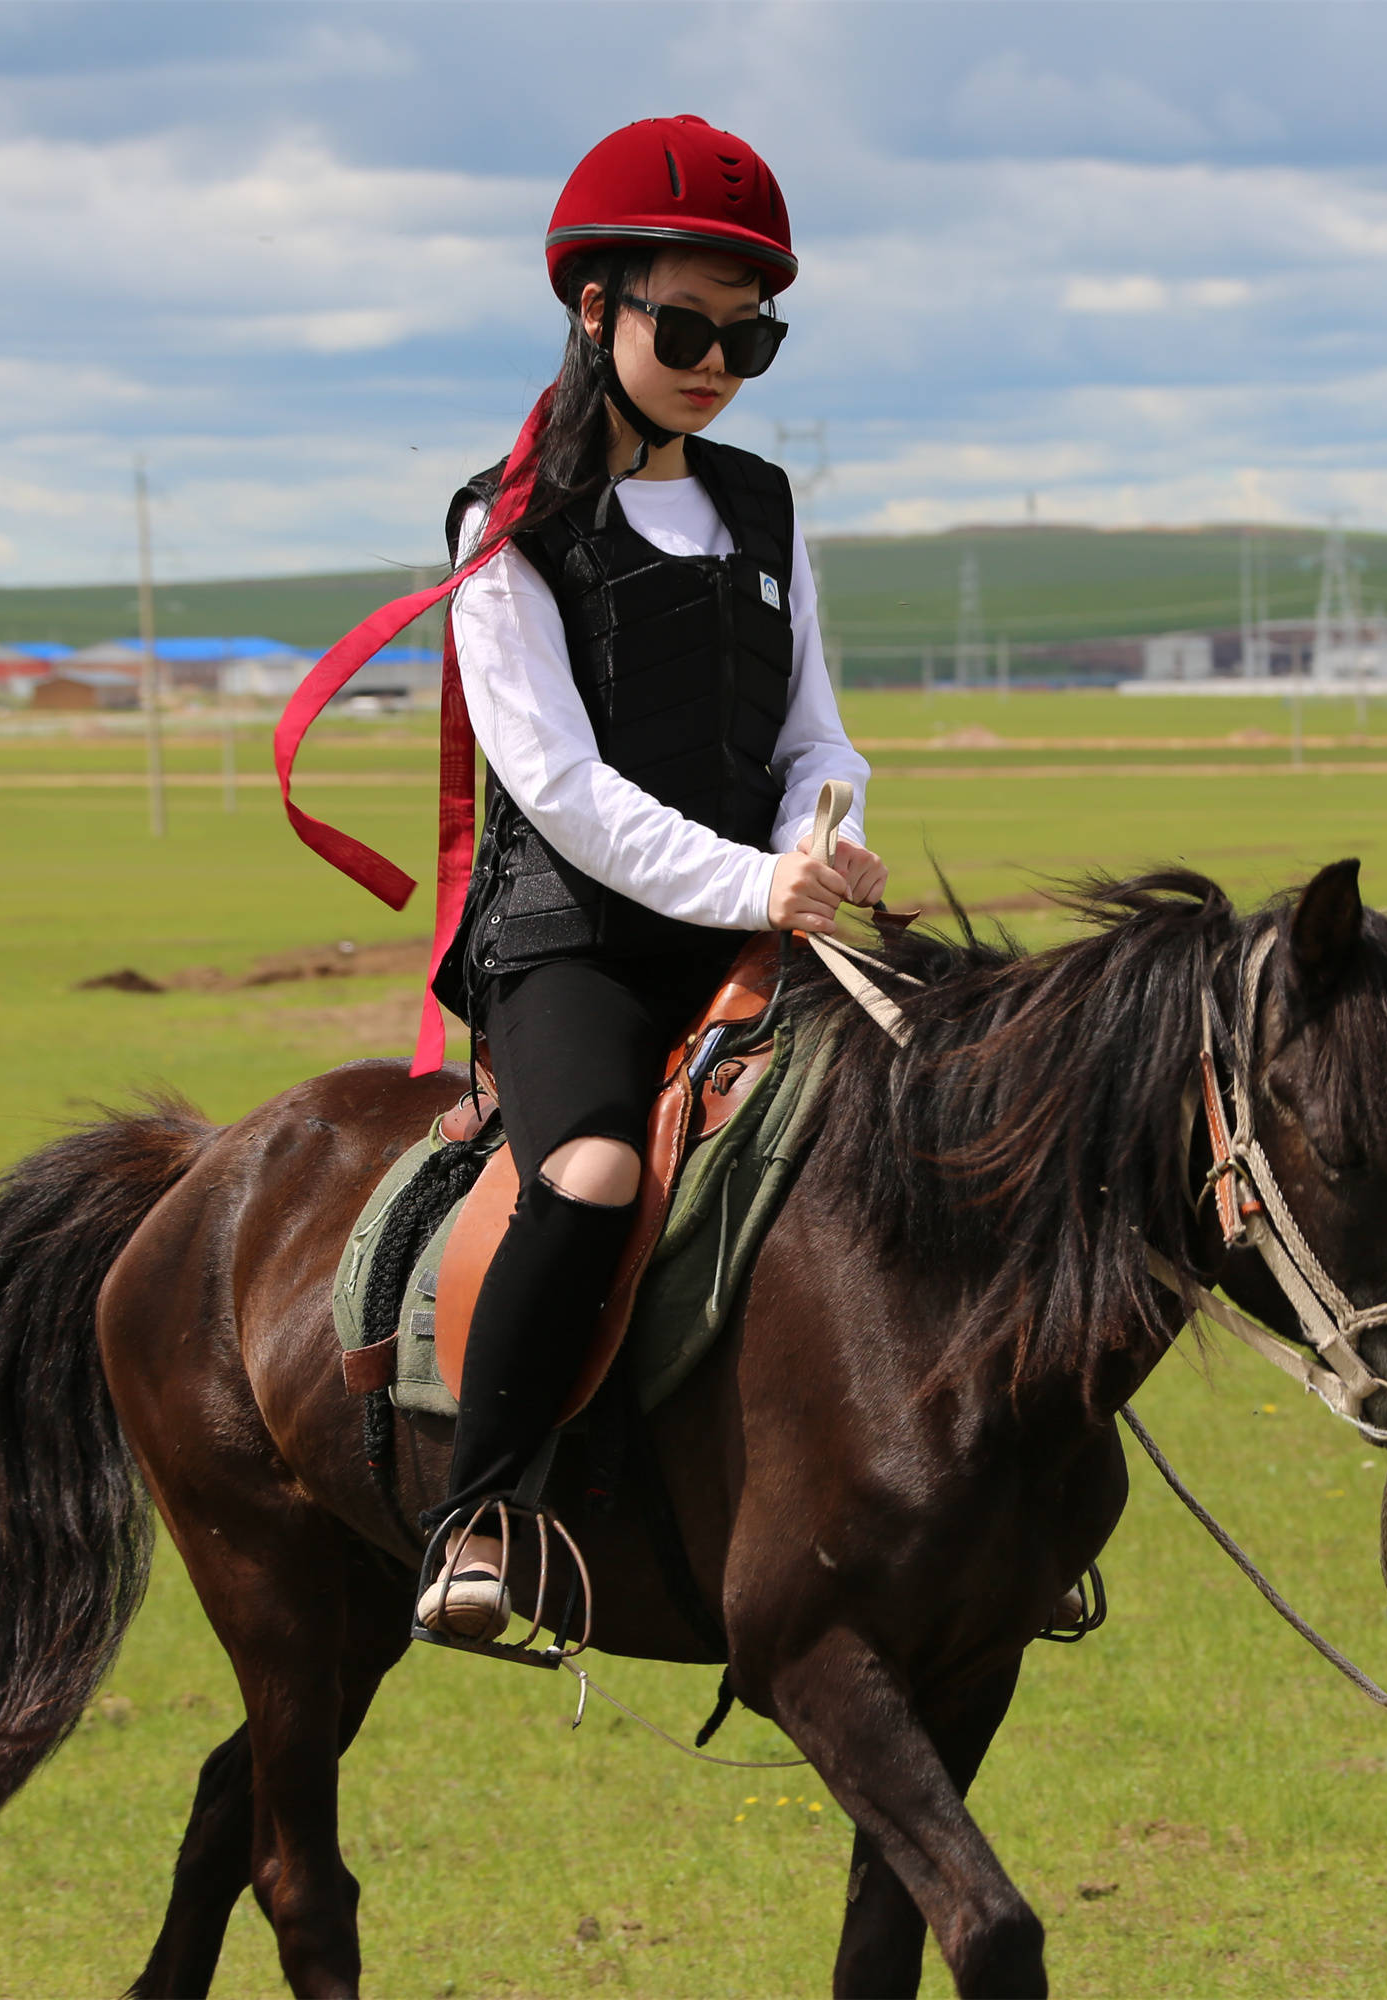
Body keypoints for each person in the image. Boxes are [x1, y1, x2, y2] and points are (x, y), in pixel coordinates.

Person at [413, 116, 884, 1641]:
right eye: (687, 328)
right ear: (594, 309)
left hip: (761, 914)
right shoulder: (510, 527)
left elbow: (815, 728)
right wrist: (763, 886)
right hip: (580, 945)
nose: (718, 366)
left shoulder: (763, 506)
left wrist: (823, 832)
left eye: (755, 340)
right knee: (598, 1174)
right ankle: (477, 1510)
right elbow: (559, 788)